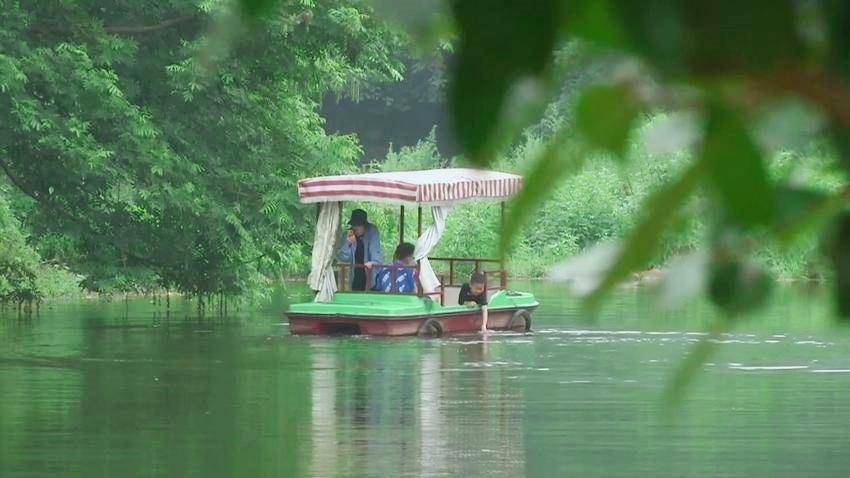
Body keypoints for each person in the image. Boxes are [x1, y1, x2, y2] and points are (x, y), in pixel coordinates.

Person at [338, 208, 383, 291]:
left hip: (370, 275)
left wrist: (372, 262)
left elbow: (376, 254)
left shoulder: (372, 232)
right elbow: (343, 258)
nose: (355, 228)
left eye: (358, 226)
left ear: (364, 226)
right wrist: (348, 244)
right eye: (353, 225)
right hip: (355, 275)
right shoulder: (349, 234)